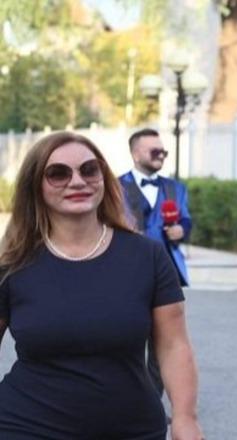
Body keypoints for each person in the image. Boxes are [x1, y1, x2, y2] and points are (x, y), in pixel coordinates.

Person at [0, 131, 202, 439]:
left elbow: (174, 345)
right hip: (25, 427)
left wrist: (185, 417)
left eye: (89, 169)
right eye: (58, 173)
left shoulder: (147, 256)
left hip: (132, 428)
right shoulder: (12, 263)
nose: (77, 181)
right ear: (35, 185)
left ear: (103, 177)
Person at [119, 127, 193, 397]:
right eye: (154, 151)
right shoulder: (114, 186)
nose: (161, 155)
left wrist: (182, 229)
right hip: (126, 272)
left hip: (167, 273)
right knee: (126, 340)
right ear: (136, 154)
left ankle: (150, 404)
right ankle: (124, 399)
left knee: (165, 342)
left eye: (164, 151)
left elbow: (186, 219)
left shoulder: (175, 188)